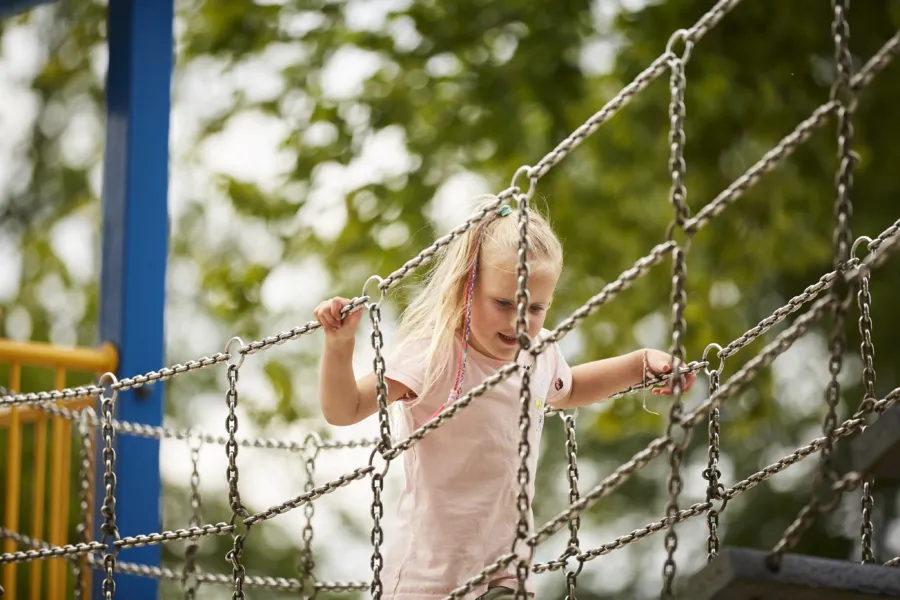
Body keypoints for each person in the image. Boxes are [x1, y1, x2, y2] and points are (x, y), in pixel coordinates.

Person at [314, 197, 696, 600]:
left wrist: (639, 365)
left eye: (535, 307)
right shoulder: (434, 354)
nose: (520, 320)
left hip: (506, 573)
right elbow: (347, 409)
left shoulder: (539, 353)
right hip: (430, 576)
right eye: (503, 303)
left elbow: (572, 389)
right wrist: (339, 347)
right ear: (467, 288)